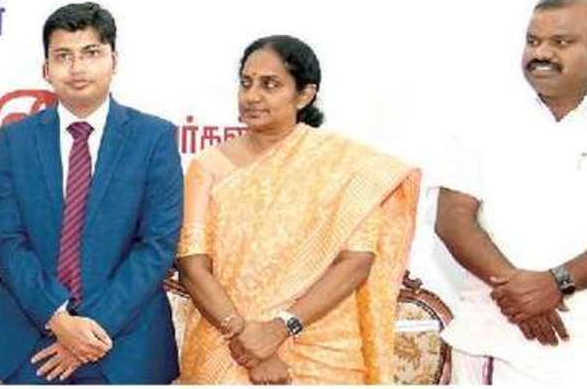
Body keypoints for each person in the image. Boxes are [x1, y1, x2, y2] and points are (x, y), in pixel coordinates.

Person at [435, 0, 587, 384]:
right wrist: (520, 292)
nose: (541, 54)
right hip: (495, 339)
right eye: (533, 41)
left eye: (561, 42)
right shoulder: (482, 119)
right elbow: (453, 218)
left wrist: (558, 283)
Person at [175, 35, 419, 384]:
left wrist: (280, 329)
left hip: (321, 346)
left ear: (304, 95)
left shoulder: (342, 165)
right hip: (226, 345)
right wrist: (244, 338)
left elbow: (356, 261)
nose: (252, 95)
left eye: (270, 84)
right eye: (246, 82)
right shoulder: (208, 166)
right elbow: (192, 265)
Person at [0, 2, 182, 385]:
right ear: (46, 69)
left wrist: (90, 329)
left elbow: (157, 245)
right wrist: (57, 318)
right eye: (63, 56)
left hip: (126, 347)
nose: (77, 68)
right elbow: (6, 239)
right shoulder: (15, 140)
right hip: (31, 344)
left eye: (91, 53)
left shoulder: (154, 138)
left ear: (114, 60)